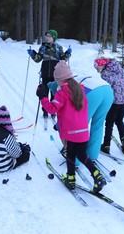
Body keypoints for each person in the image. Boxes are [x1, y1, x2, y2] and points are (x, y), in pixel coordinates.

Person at [36, 61, 106, 193]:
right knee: (82, 155)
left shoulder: (62, 93)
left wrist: (43, 97)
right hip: (83, 131)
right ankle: (97, 176)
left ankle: (71, 178)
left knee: (70, 155)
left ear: (60, 79)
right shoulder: (80, 89)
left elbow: (51, 109)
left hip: (71, 132)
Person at [48, 74, 113, 162]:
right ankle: (93, 154)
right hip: (107, 90)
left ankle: (76, 159)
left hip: (92, 92)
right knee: (98, 124)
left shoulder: (62, 88)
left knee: (79, 126)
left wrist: (58, 125)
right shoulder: (73, 79)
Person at [27, 29, 71, 118]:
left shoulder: (59, 47)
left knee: (54, 92)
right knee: (44, 92)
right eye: (46, 36)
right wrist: (32, 54)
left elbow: (63, 59)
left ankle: (54, 109)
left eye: (49, 36)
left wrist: (68, 54)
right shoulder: (43, 47)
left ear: (54, 38)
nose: (47, 38)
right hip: (45, 72)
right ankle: (45, 110)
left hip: (56, 74)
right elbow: (38, 59)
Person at [94, 57, 124, 153]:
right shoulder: (119, 68)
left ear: (101, 65)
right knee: (119, 120)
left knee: (109, 123)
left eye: (97, 68)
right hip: (123, 99)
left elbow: (105, 89)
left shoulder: (105, 74)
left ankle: (106, 146)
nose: (97, 70)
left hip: (114, 101)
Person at [0, 106, 31, 172]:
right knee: (25, 155)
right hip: (3, 166)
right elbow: (17, 154)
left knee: (6, 147)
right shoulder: (7, 137)